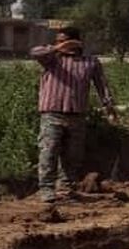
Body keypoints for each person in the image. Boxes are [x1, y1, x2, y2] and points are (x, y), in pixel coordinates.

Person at [29, 27, 117, 203]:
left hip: (77, 115)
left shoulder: (90, 62)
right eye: (58, 41)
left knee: (72, 156)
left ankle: (66, 189)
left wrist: (109, 106)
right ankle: (46, 189)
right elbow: (34, 52)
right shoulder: (51, 59)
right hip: (52, 114)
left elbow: (102, 85)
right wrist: (56, 48)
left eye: (63, 41)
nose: (59, 44)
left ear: (76, 42)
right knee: (49, 152)